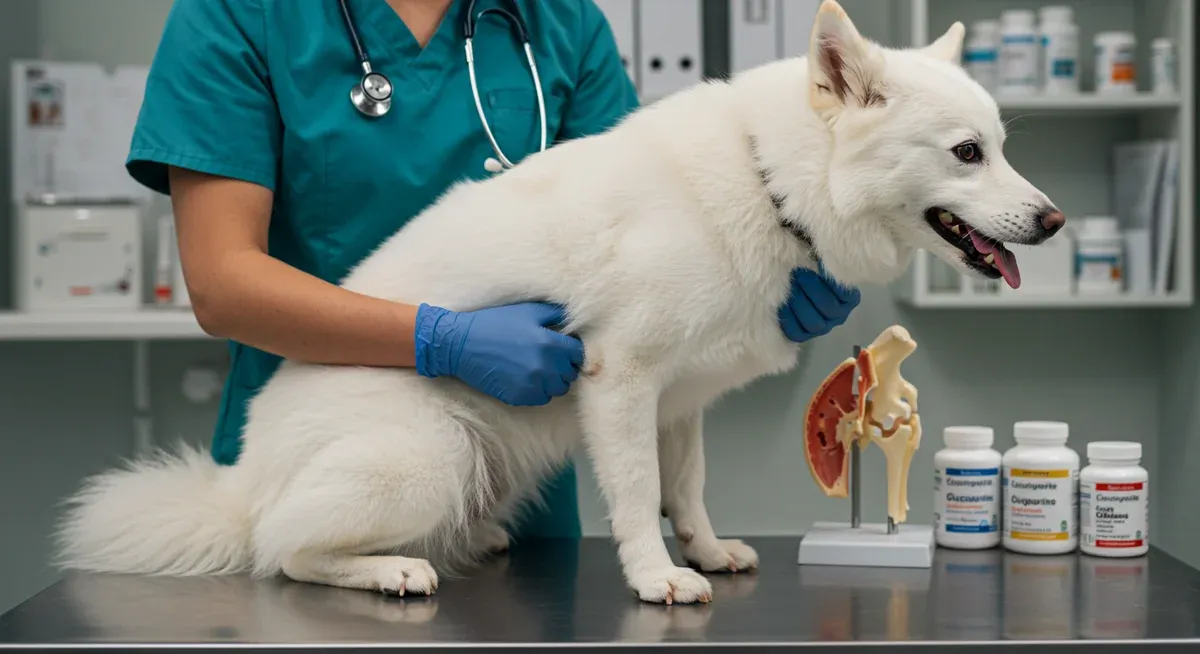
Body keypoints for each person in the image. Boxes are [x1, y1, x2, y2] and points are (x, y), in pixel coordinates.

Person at [124, 0, 861, 543]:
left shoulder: (559, 23)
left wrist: (765, 280)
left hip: (518, 472)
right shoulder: (239, 16)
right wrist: (439, 340)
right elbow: (224, 285)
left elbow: (645, 244)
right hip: (337, 431)